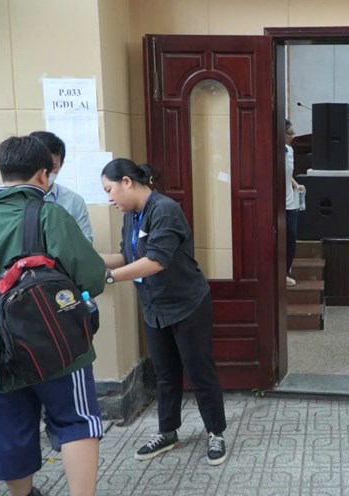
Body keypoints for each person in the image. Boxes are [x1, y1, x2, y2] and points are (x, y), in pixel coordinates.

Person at [0, 135, 105, 496]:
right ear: (44, 175)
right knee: (75, 421)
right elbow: (90, 276)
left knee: (10, 428)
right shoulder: (49, 214)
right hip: (54, 344)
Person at [99, 158, 228, 466]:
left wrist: (107, 279)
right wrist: (87, 261)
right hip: (154, 306)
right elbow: (125, 255)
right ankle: (167, 432)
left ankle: (216, 432)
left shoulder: (165, 210)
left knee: (199, 372)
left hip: (187, 305)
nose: (109, 198)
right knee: (165, 373)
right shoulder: (131, 215)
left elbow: (156, 261)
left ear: (127, 182)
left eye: (110, 189)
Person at [32, 130, 94, 242]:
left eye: (53, 166)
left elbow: (86, 244)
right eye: (42, 165)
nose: (47, 171)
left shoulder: (74, 201)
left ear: (62, 164)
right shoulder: (8, 198)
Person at [284, 119, 305, 287]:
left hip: (290, 201)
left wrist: (296, 184)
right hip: (276, 202)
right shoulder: (271, 150)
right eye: (289, 133)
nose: (293, 136)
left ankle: (286, 271)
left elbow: (287, 173)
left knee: (291, 235)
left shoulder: (290, 151)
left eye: (293, 132)